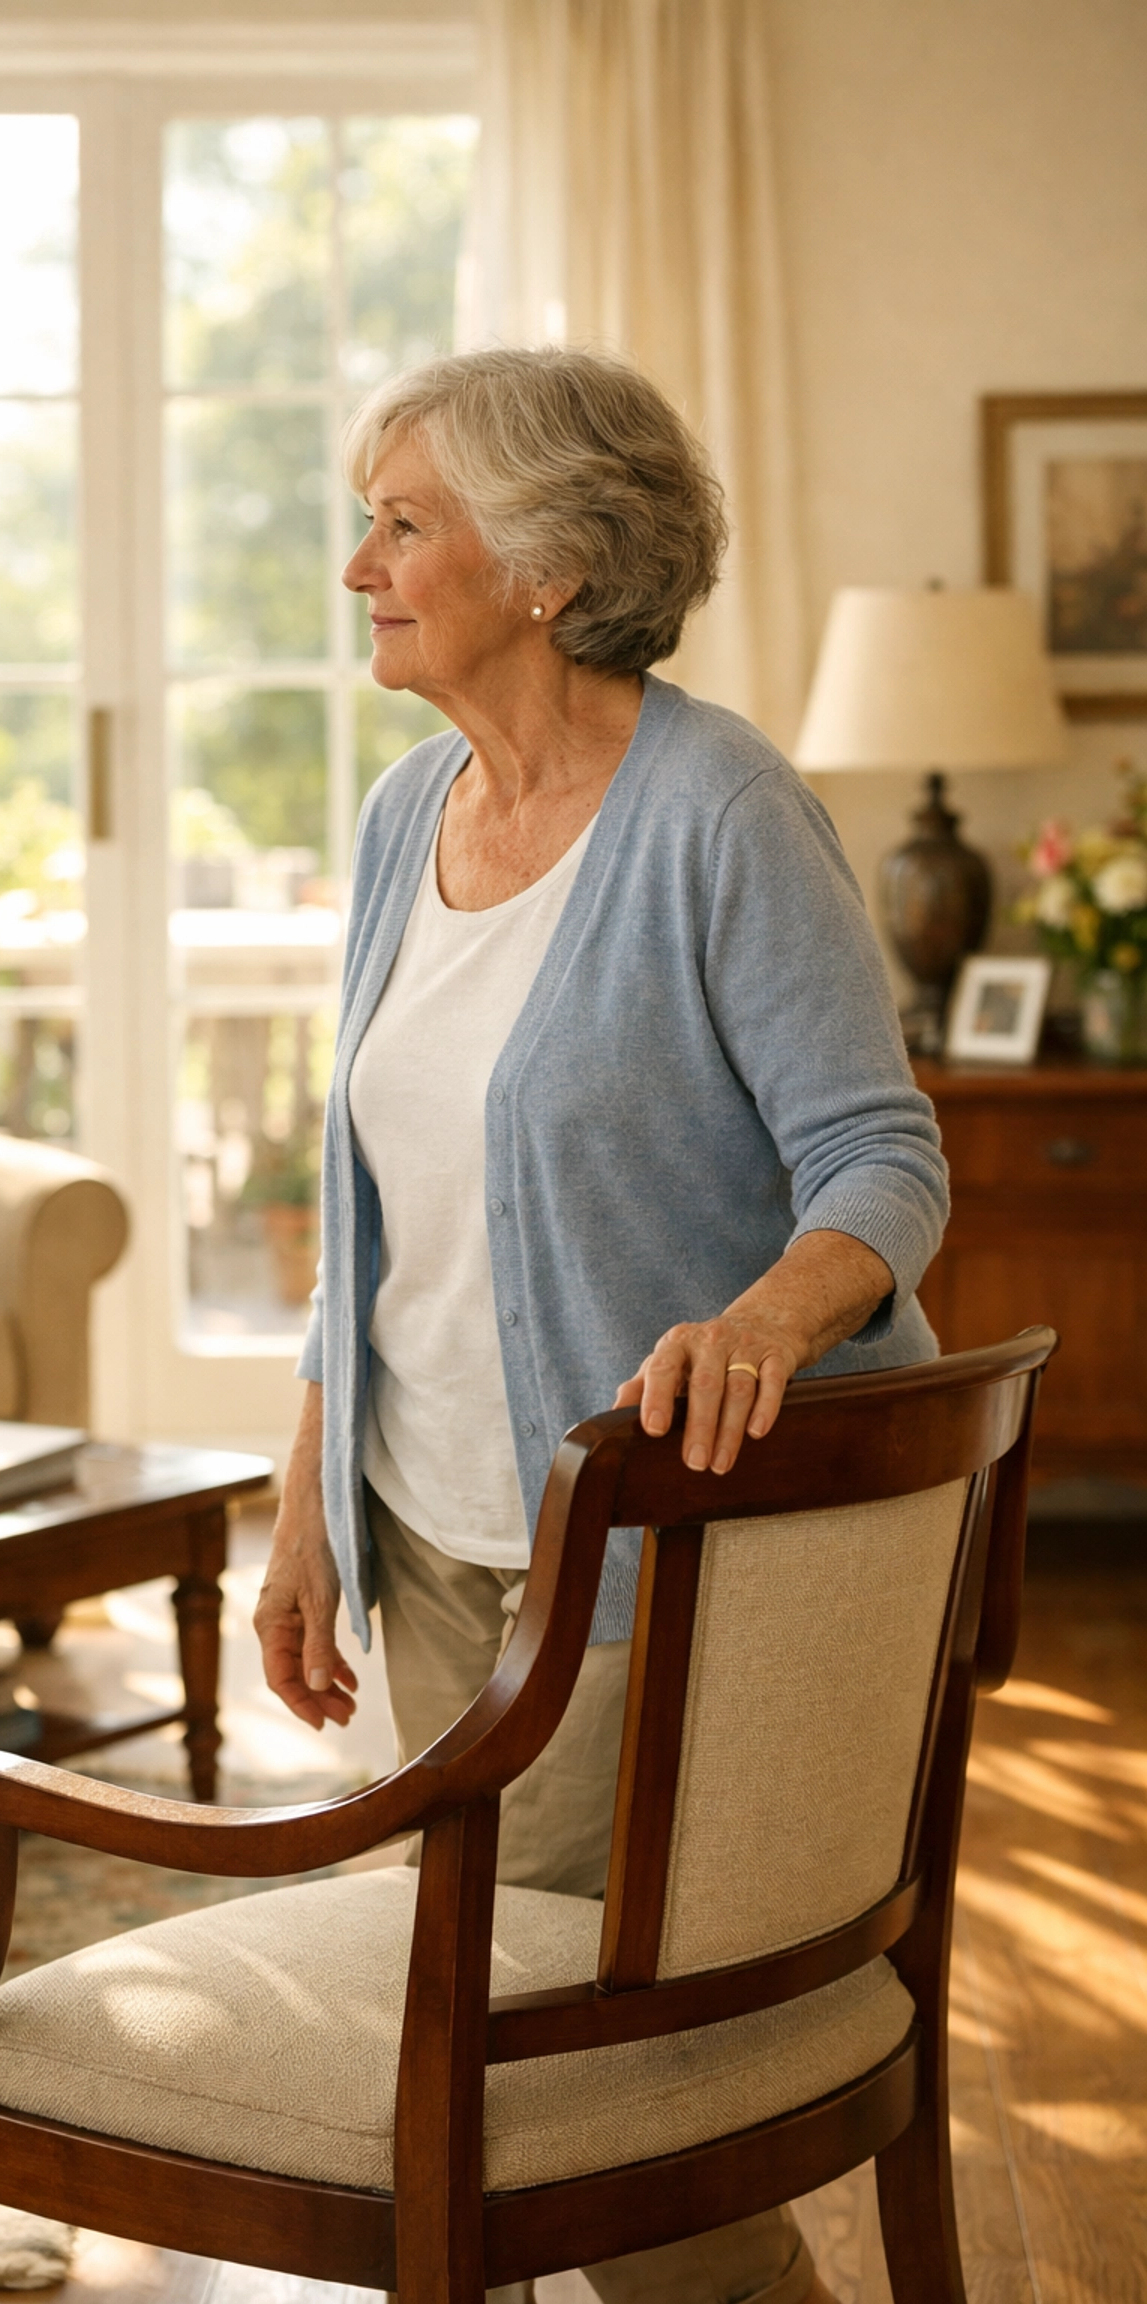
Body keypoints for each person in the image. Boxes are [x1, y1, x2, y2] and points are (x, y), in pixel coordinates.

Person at [253, 346, 948, 2304]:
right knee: (548, 2083)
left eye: (402, 523)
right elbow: (374, 1221)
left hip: (650, 1556)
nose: (358, 566)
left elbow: (883, 1167)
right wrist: (309, 1501)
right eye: (366, 520)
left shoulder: (719, 812)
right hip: (436, 1542)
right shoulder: (411, 815)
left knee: (568, 2097)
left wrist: (762, 1316)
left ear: (547, 569)